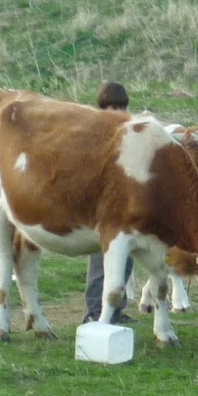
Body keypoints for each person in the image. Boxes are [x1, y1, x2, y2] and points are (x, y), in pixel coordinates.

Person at [84, 82, 135, 324]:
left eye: (121, 107)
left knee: (125, 261)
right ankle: (94, 311)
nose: (117, 112)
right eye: (112, 107)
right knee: (100, 263)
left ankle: (116, 309)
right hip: (103, 211)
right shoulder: (94, 136)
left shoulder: (129, 133)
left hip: (126, 208)